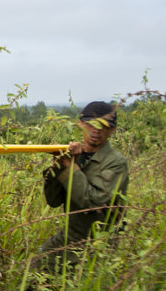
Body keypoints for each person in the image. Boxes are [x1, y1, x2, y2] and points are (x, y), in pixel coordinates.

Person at [37, 100, 129, 270]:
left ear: (112, 130)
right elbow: (54, 201)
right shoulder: (74, 155)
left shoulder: (116, 163)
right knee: (28, 272)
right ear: (80, 124)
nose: (96, 130)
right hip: (69, 238)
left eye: (103, 126)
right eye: (91, 124)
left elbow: (92, 202)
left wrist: (69, 165)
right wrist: (58, 164)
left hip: (99, 245)